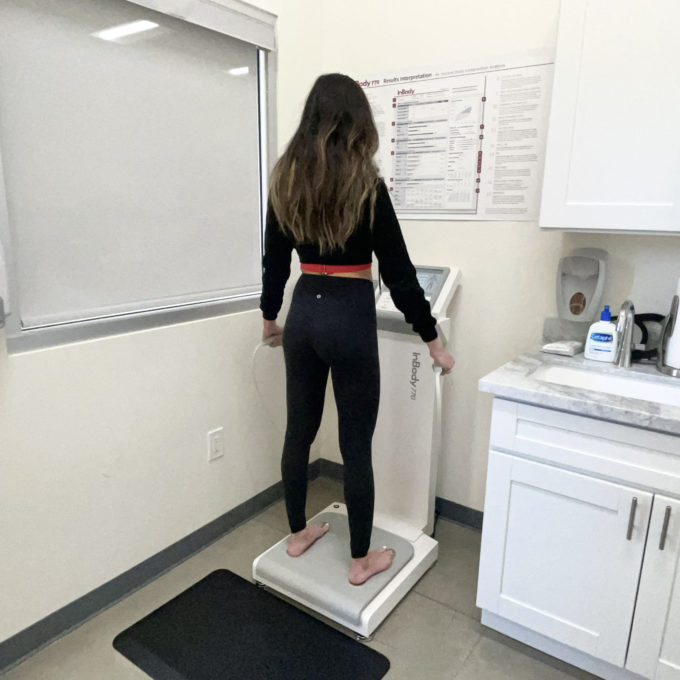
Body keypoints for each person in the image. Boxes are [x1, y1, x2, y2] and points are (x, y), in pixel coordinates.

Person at [259, 73, 455, 586]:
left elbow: (274, 261)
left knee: (298, 432)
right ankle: (361, 559)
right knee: (355, 445)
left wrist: (268, 318)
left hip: (303, 314)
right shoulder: (365, 184)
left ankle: (298, 532)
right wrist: (433, 340)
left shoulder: (285, 178)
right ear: (358, 122)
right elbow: (400, 274)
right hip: (349, 315)